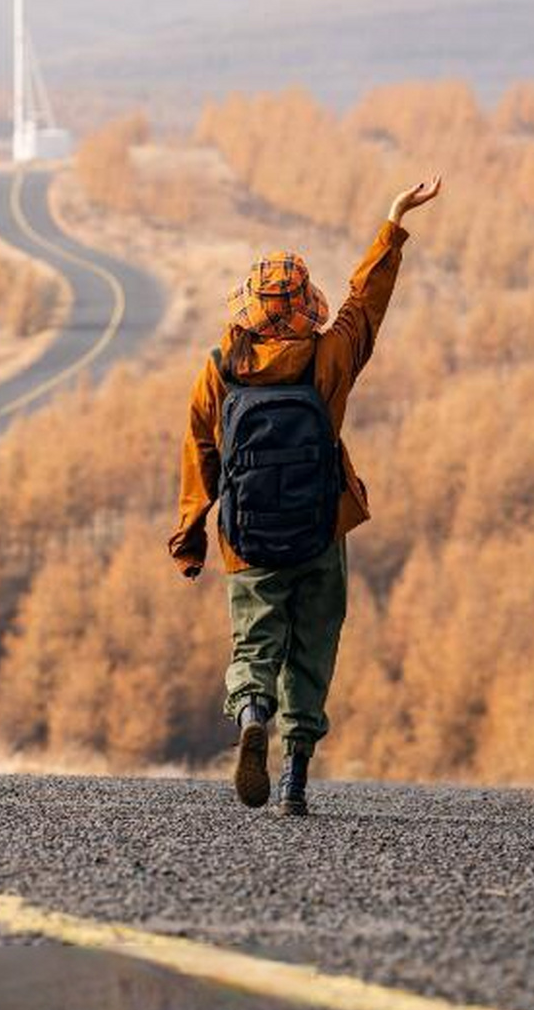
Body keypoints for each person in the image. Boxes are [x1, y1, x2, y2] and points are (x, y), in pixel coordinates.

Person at [169, 178, 442, 815]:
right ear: (304, 307)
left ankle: (252, 715)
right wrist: (392, 222)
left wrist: (190, 535)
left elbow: (199, 452)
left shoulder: (218, 368)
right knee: (313, 644)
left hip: (247, 537)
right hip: (321, 525)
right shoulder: (330, 357)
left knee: (255, 642)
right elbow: (366, 301)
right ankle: (294, 774)